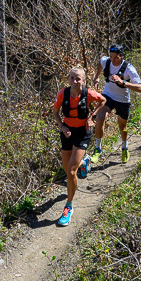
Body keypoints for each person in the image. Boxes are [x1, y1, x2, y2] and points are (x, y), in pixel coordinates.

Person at [52, 66, 105, 227]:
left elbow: (103, 101)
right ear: (68, 79)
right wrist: (62, 127)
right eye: (72, 78)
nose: (75, 81)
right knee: (67, 169)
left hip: (83, 132)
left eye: (78, 79)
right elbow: (55, 112)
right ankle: (85, 161)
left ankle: (68, 206)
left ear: (83, 80)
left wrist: (91, 116)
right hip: (67, 133)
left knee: (71, 171)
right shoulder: (63, 94)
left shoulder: (88, 94)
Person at [92, 44, 141, 163]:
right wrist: (97, 77)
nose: (113, 60)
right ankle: (98, 149)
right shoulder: (106, 61)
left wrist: (123, 82)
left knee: (122, 127)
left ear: (122, 56)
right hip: (107, 96)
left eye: (116, 57)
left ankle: (124, 147)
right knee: (100, 119)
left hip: (123, 100)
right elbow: (101, 62)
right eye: (111, 57)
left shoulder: (129, 68)